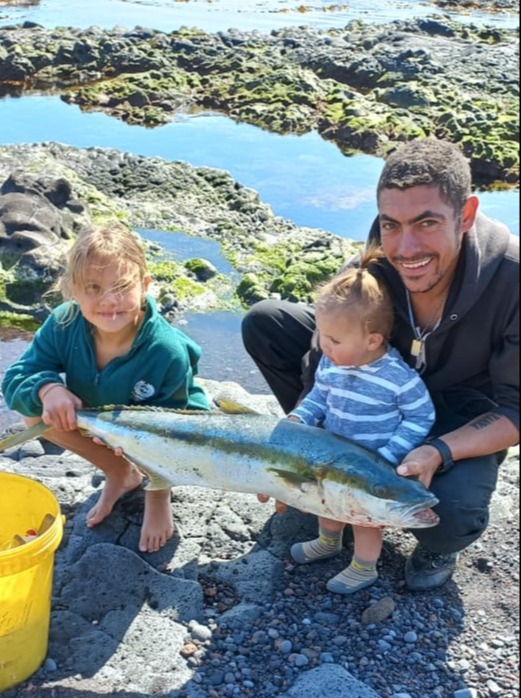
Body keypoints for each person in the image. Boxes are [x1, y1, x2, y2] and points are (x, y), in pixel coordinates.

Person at [242, 138, 519, 591]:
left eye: (426, 222)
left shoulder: (513, 278)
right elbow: (322, 363)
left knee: (447, 517)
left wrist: (438, 451)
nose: (406, 248)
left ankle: (434, 543)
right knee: (267, 322)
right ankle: (333, 478)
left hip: (455, 418)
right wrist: (294, 452)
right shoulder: (372, 266)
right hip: (367, 388)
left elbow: (516, 410)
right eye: (391, 224)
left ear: (465, 215)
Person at [2, 223, 210, 553]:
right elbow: (16, 378)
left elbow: (174, 431)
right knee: (32, 413)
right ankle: (120, 474)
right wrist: (47, 389)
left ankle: (157, 491)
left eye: (122, 286)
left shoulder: (165, 351)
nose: (109, 301)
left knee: (166, 442)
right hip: (102, 419)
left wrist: (157, 492)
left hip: (163, 428)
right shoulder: (64, 322)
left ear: (145, 286)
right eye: (93, 287)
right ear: (72, 289)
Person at [286, 246, 435, 594]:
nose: (325, 346)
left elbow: (421, 415)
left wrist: (392, 451)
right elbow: (320, 396)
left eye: (335, 340)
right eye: (323, 336)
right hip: (334, 455)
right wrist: (300, 416)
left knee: (365, 518)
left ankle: (364, 566)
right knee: (327, 500)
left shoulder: (396, 377)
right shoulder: (332, 362)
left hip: (371, 461)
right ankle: (329, 542)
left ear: (373, 340)